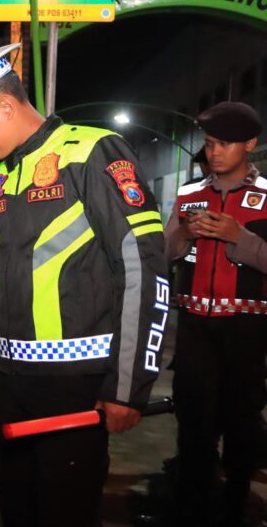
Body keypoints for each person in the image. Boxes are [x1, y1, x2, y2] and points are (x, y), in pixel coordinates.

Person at [0, 44, 169, 526]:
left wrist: (128, 386)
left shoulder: (90, 152)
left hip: (73, 388)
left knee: (63, 514)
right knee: (19, 509)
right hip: (9, 385)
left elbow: (142, 266)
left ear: (5, 105)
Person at [165, 101, 265, 526]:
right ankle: (192, 505)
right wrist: (184, 233)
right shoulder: (188, 194)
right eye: (209, 144)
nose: (214, 152)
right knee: (193, 419)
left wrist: (237, 237)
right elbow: (162, 252)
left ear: (250, 145)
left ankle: (235, 505)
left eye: (224, 143)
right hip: (194, 327)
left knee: (241, 419)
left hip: (247, 328)